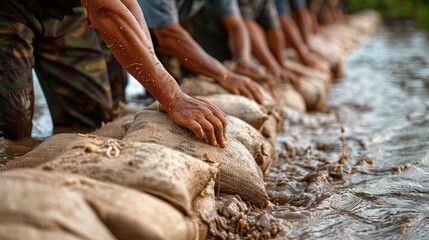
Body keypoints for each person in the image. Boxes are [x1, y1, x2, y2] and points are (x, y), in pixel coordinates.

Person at [0, 0, 227, 147]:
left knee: (91, 118)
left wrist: (163, 94)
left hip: (66, 11)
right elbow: (106, 11)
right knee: (14, 124)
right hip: (9, 9)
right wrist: (173, 97)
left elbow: (129, 6)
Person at [137, 0, 265, 104]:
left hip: (160, 32)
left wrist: (243, 61)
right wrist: (223, 75)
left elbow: (236, 25)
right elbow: (168, 34)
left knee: (169, 92)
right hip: (127, 33)